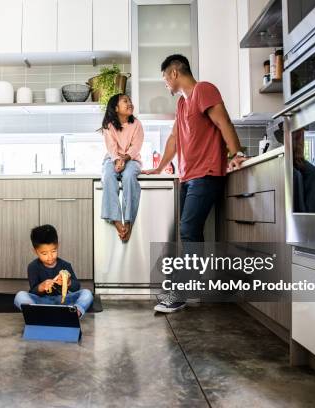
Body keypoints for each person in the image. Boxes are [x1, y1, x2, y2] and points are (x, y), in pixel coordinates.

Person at [143, 54, 247, 313]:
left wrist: (235, 154)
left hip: (207, 174)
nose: (166, 83)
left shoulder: (204, 90)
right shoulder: (181, 104)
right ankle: (186, 287)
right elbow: (174, 139)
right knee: (188, 232)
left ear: (174, 73)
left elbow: (223, 122)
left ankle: (182, 292)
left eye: (165, 78)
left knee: (189, 230)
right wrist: (158, 166)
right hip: (188, 177)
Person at [13, 224, 93, 318]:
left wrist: (68, 282)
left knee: (87, 293)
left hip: (63, 301)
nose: (50, 257)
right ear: (35, 251)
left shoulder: (65, 265)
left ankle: (74, 314)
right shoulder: (33, 267)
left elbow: (77, 287)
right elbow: (33, 292)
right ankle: (36, 313)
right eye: (44, 253)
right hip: (41, 302)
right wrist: (41, 287)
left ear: (57, 246)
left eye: (53, 251)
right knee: (20, 295)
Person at [99, 93, 144, 242]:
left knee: (129, 175)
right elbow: (111, 148)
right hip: (113, 159)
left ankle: (129, 220)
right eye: (125, 101)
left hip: (131, 159)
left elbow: (136, 146)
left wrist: (124, 159)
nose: (130, 103)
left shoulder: (136, 124)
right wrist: (117, 159)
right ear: (116, 108)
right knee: (108, 176)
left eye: (130, 101)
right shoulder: (109, 126)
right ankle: (116, 219)